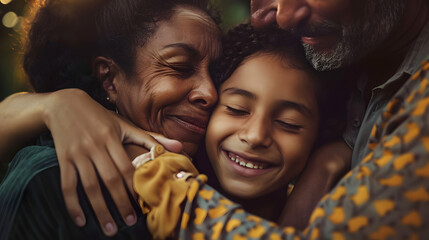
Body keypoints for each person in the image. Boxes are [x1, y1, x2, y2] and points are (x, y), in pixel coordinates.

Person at [133, 0, 429, 239]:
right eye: (236, 108)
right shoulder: (352, 49)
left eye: (288, 123)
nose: (270, 16)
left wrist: (146, 165)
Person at [0, 0, 222, 238]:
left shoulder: (224, 168)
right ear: (110, 79)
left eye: (217, 74)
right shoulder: (51, 177)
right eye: (180, 67)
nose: (210, 93)